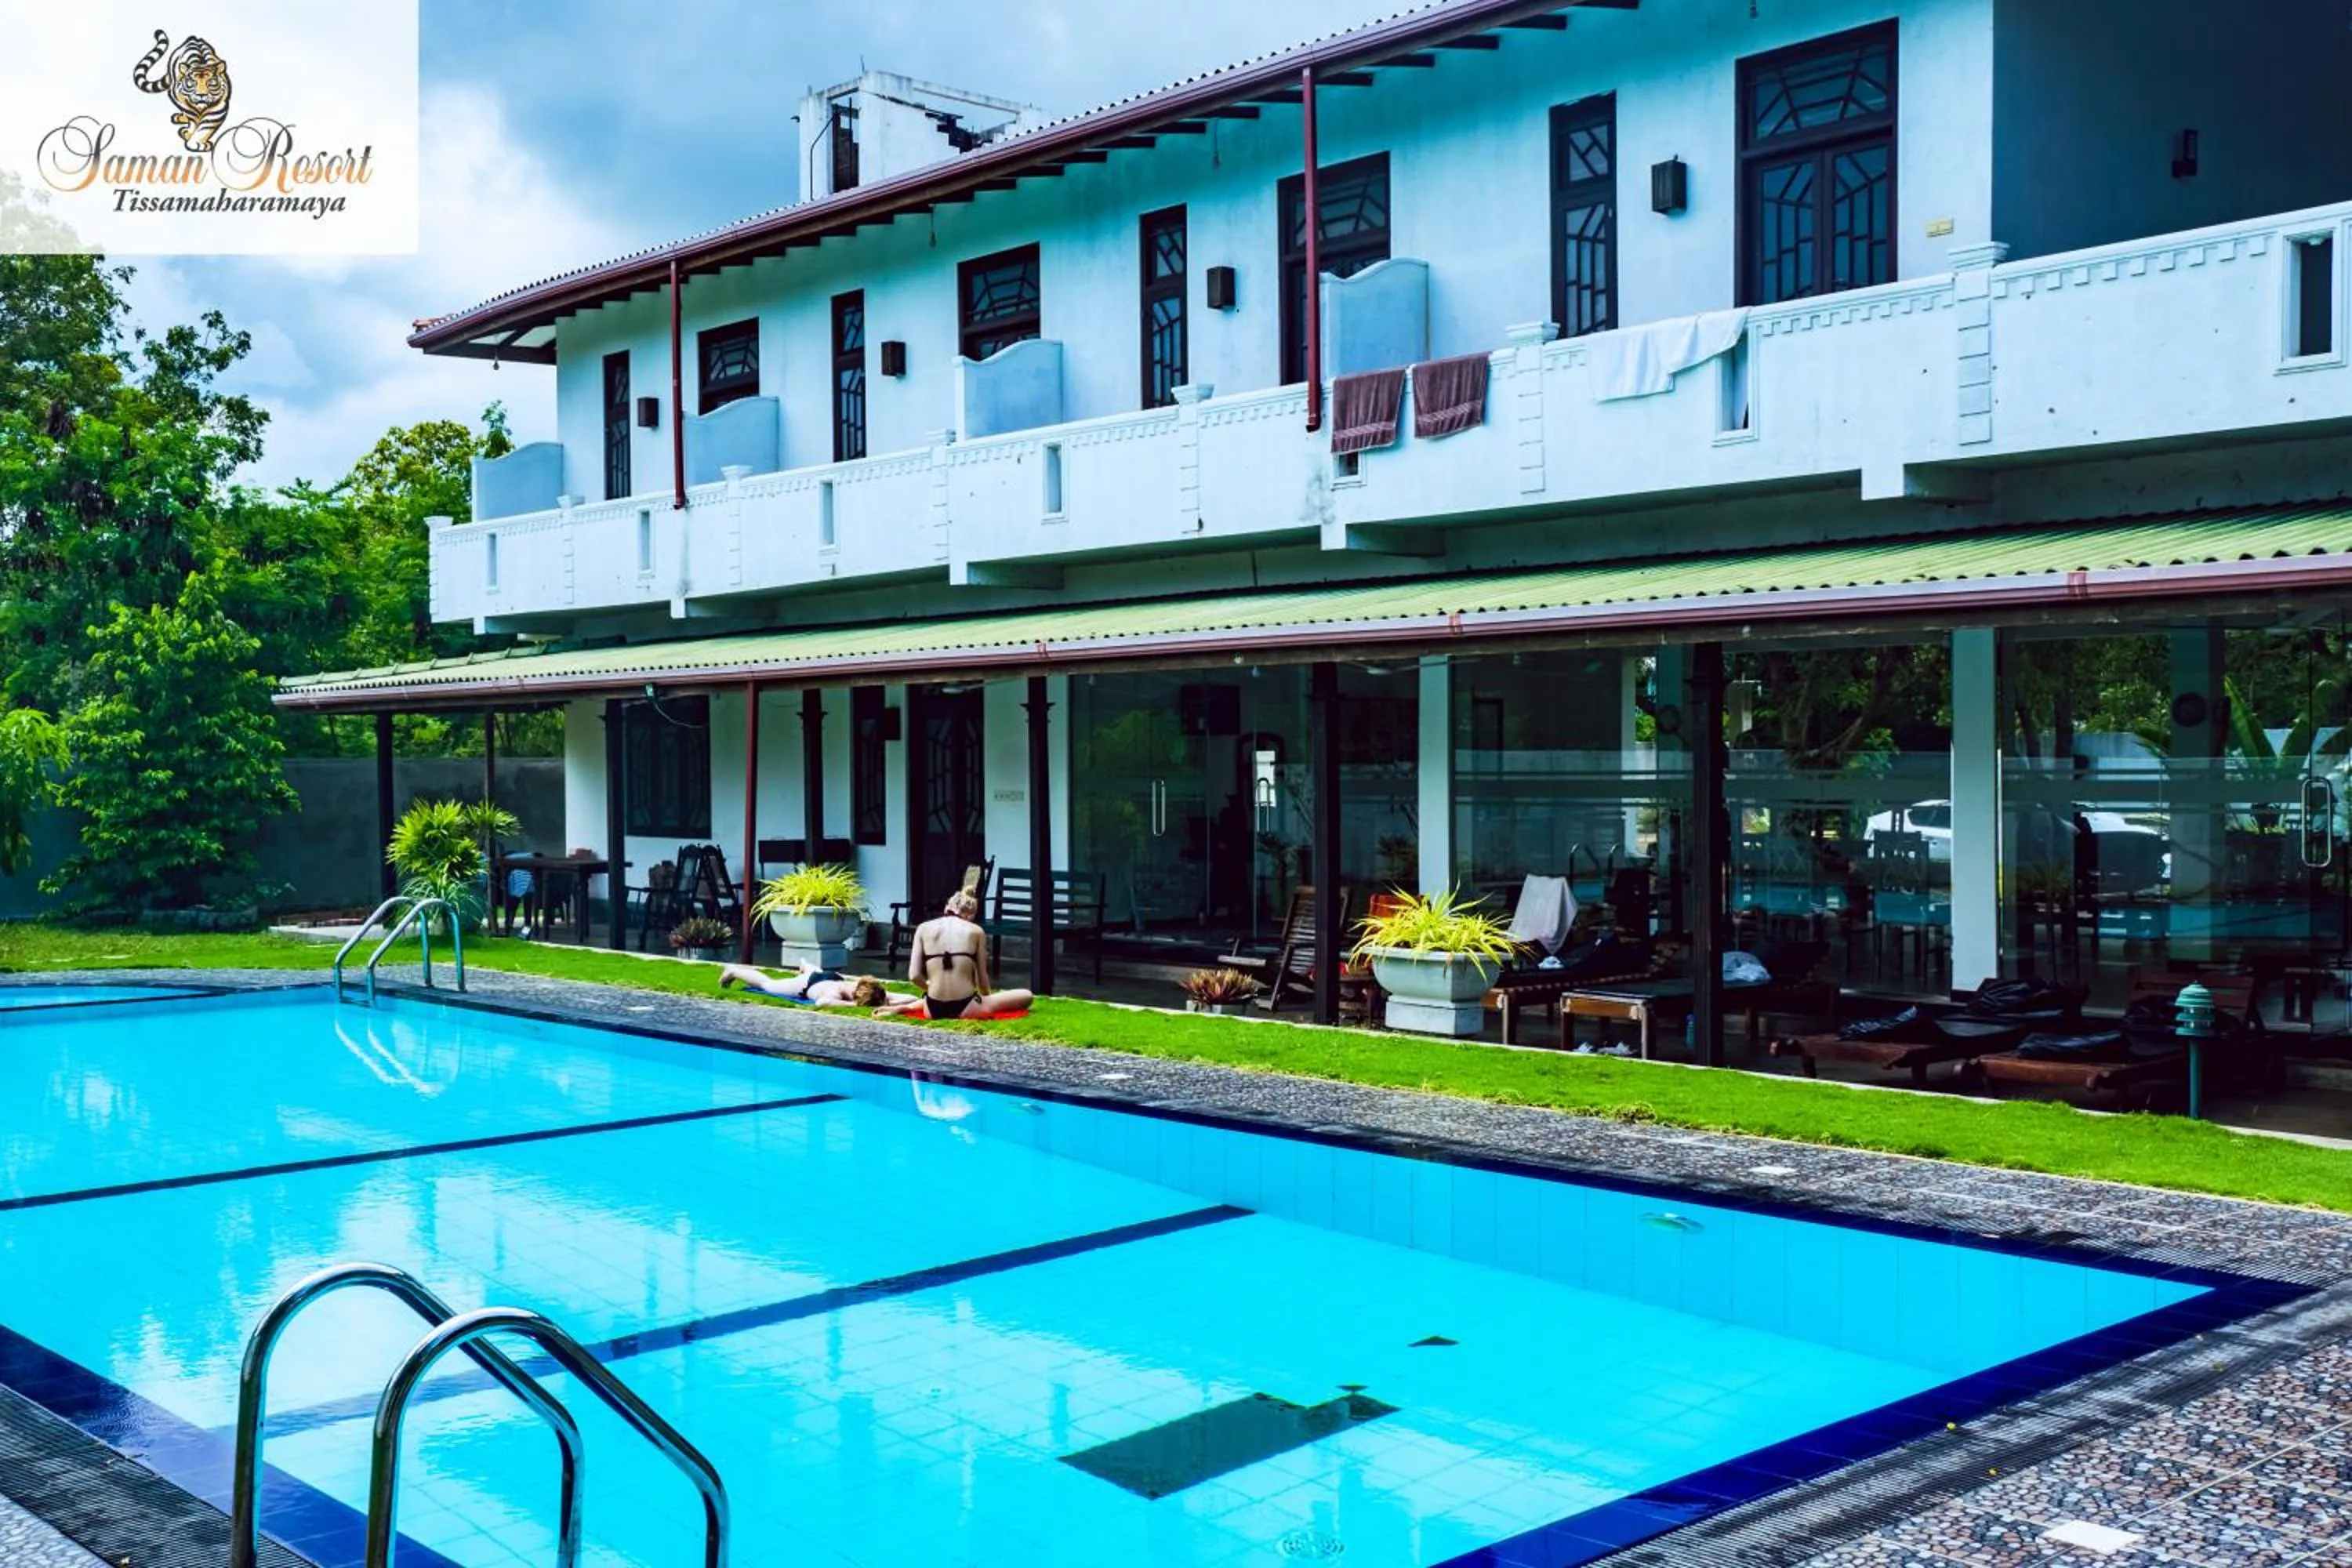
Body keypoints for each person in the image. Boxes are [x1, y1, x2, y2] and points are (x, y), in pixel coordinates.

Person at [876, 888, 1033, 1020]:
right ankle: (909, 1006)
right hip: (965, 1007)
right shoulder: (976, 931)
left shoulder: (923, 928)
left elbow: (914, 976)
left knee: (930, 993)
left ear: (947, 907)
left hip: (932, 1008)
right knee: (1026, 995)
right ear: (970, 915)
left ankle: (906, 1008)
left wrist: (930, 987)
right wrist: (986, 998)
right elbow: (983, 984)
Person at [717, 962, 886, 1008]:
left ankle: (805, 965)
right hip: (809, 984)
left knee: (813, 971)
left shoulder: (862, 985)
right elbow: (822, 1003)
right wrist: (852, 1005)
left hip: (827, 977)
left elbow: (907, 997)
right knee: (767, 984)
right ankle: (734, 971)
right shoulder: (835, 995)